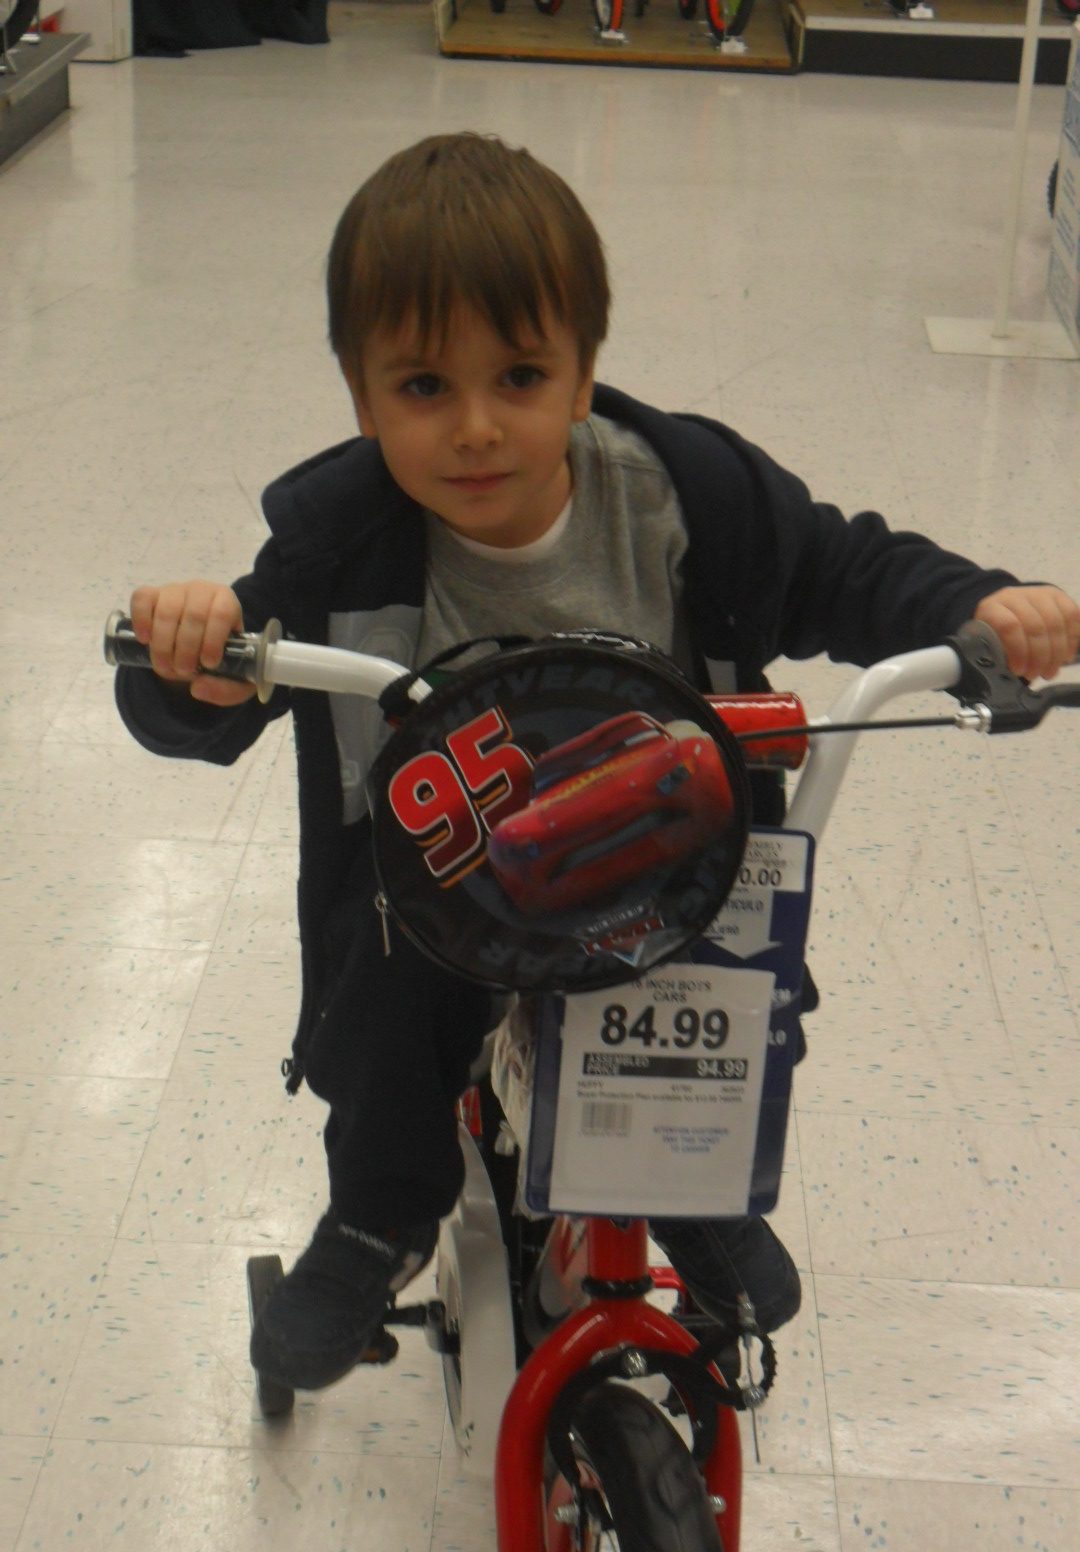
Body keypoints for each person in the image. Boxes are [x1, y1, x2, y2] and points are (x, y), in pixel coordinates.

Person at [116, 132, 1079, 1392]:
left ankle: (692, 1184)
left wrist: (979, 608)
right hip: (441, 886)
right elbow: (212, 698)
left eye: (520, 376)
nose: (475, 429)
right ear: (361, 400)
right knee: (388, 1018)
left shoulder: (687, 500)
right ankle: (379, 1215)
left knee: (744, 981)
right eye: (422, 387)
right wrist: (184, 656)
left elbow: (845, 566)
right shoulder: (338, 546)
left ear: (582, 378)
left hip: (665, 857)